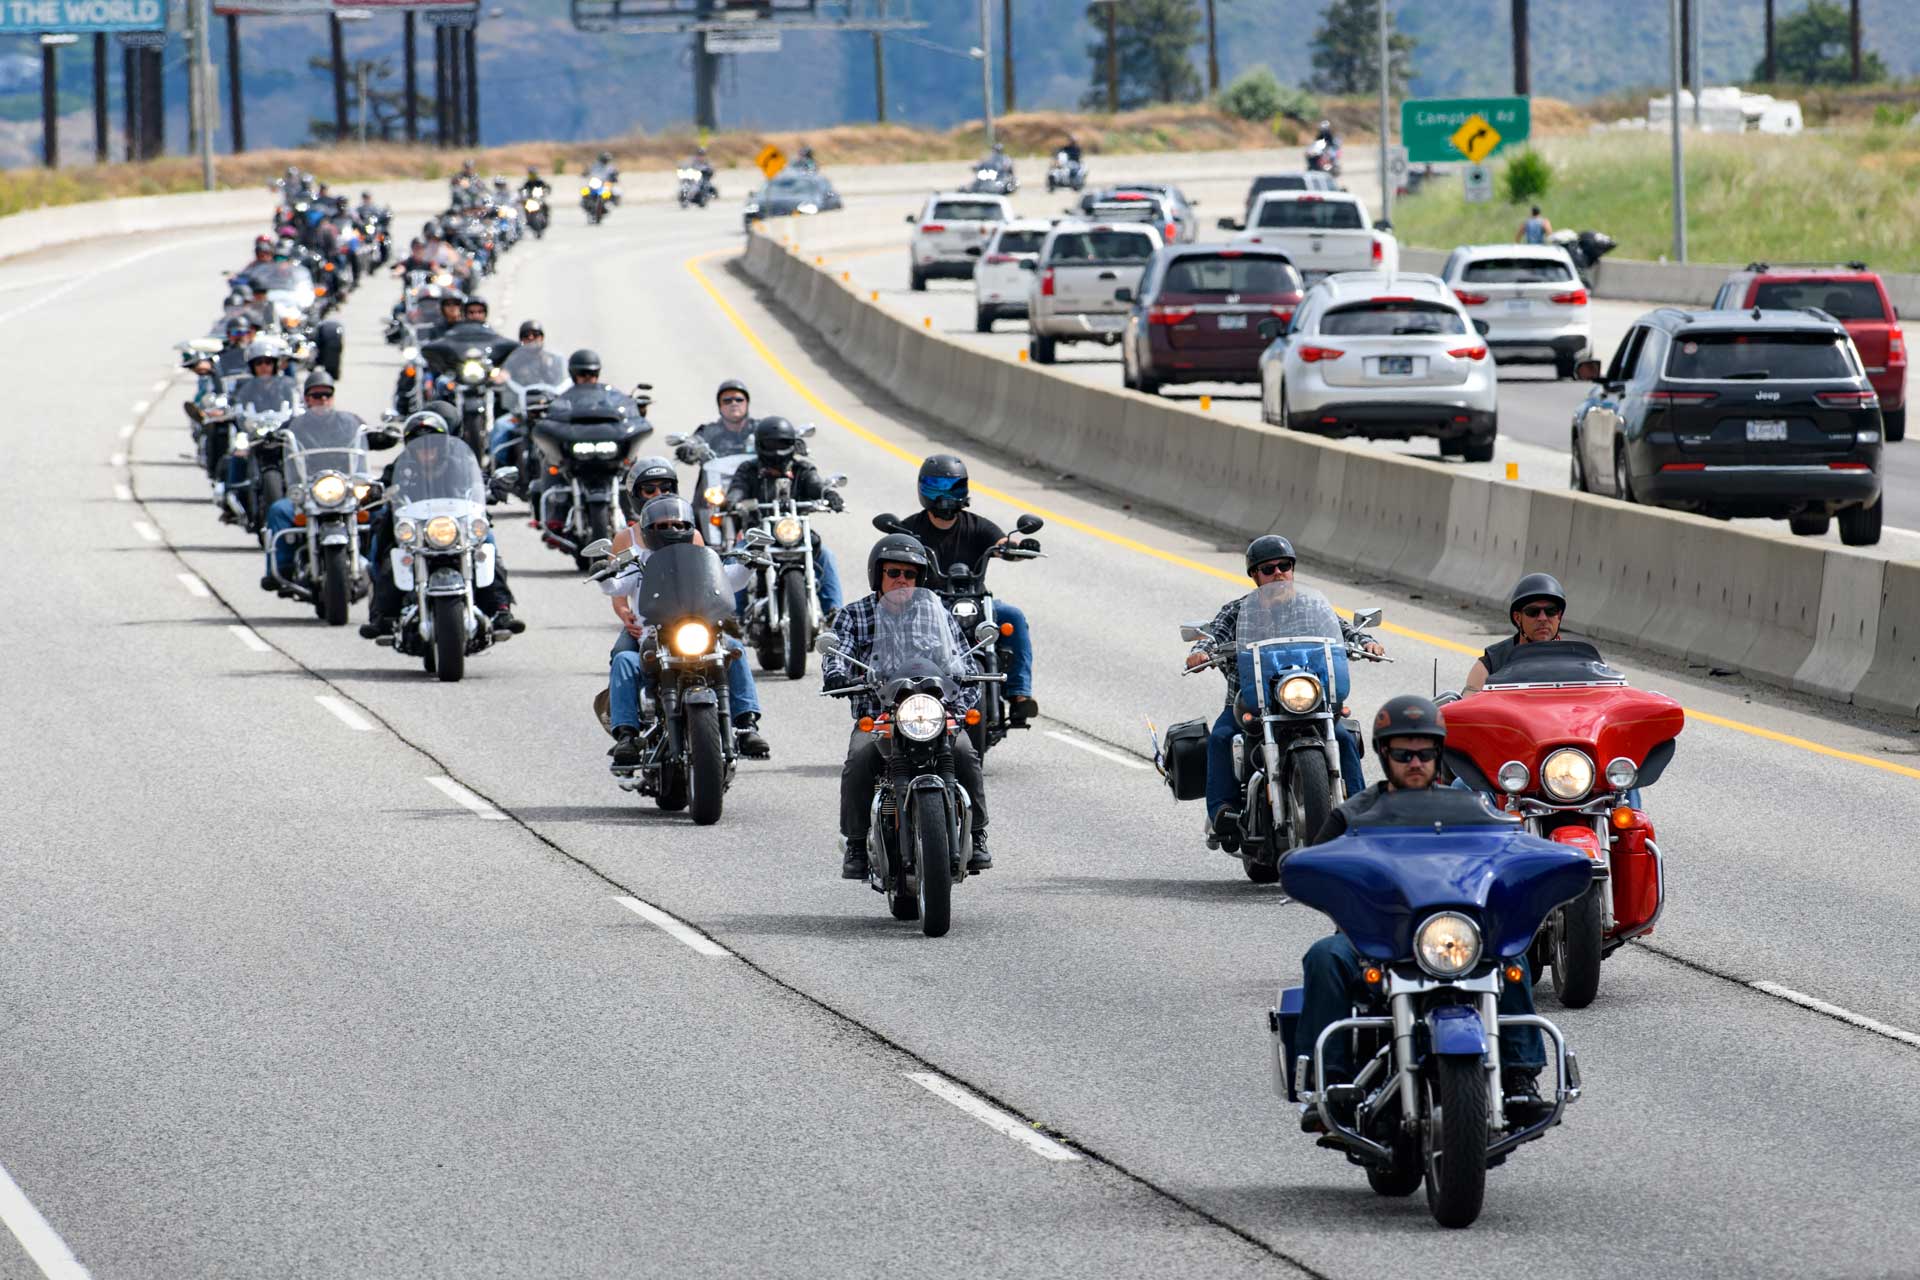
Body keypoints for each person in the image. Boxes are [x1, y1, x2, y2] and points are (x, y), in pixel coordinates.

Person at [1292, 694, 1550, 1119]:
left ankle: (1520, 1077)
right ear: (1383, 754)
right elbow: (1317, 867)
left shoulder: (1473, 810)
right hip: (1375, 939)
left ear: (1439, 753)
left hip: (1454, 935)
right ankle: (1329, 1084)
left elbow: (1509, 853)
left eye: (1425, 752)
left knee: (1511, 955)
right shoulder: (1353, 815)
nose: (1415, 761)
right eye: (1403, 752)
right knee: (1324, 957)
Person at [1185, 535, 1381, 839]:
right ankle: (1222, 812)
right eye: (1268, 569)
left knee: (1341, 736)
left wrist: (1365, 641)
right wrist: (1204, 650)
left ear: (1292, 569)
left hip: (1308, 698)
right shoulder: (1237, 611)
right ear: (1254, 576)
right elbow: (1214, 634)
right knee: (1223, 736)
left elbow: (1342, 631)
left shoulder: (1312, 607)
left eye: (1284, 566)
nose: (1278, 573)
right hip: (1251, 701)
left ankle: (1359, 813)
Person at [823, 534, 991, 878]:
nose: (902, 580)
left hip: (932, 713)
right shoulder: (854, 615)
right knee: (859, 758)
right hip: (880, 715)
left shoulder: (937, 614)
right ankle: (855, 843)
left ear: (920, 579)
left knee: (964, 753)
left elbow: (963, 662)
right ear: (878, 575)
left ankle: (978, 835)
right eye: (894, 572)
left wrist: (964, 695)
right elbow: (836, 654)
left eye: (910, 574)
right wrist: (837, 675)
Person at [601, 494, 770, 763]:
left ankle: (747, 725)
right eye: (662, 525)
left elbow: (727, 580)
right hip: (654, 640)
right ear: (648, 529)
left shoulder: (702, 559)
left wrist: (749, 565)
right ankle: (627, 736)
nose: (671, 530)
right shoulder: (638, 563)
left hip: (699, 634)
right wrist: (606, 574)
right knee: (623, 660)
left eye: (677, 524)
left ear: (689, 526)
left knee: (735, 648)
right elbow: (616, 586)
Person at [360, 403, 522, 639]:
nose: (426, 449)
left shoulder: (460, 463)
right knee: (385, 550)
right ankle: (382, 615)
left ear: (444, 443)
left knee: (486, 547)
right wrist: (373, 491)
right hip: (416, 530)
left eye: (432, 443)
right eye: (419, 443)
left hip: (454, 527)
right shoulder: (401, 465)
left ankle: (501, 610)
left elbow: (480, 481)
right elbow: (383, 483)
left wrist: (494, 486)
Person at [896, 454, 1037, 724]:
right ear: (923, 490)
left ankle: (1020, 697)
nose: (945, 495)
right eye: (936, 487)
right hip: (927, 605)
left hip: (975, 601)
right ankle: (901, 696)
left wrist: (1019, 548)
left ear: (965, 490)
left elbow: (1004, 544)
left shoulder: (978, 526)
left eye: (953, 487)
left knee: (1013, 616)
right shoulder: (910, 529)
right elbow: (891, 552)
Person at [723, 415, 845, 615]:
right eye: (771, 443)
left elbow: (816, 485)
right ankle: (733, 613)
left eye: (782, 443)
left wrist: (829, 494)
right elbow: (737, 489)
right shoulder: (748, 469)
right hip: (757, 535)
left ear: (792, 444)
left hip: (794, 533)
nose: (777, 448)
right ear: (761, 444)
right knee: (734, 559)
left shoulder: (802, 469)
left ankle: (834, 612)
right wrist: (734, 501)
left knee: (826, 556)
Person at [260, 370, 359, 587]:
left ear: (332, 397)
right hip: (307, 490)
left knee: (378, 512)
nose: (322, 400)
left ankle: (376, 565)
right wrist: (267, 441)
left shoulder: (349, 421)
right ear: (306, 399)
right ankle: (280, 568)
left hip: (345, 488)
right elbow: (269, 448)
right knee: (279, 510)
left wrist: (381, 435)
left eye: (327, 395)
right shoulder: (294, 426)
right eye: (316, 395)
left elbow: (367, 436)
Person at [1464, 573, 1564, 693]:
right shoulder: (1492, 664)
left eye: (1550, 611)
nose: (1543, 618)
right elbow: (1470, 702)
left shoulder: (1575, 660)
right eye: (1533, 612)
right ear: (1517, 618)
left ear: (1559, 616)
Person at [690, 378, 758, 457]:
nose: (734, 403)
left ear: (747, 404)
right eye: (727, 401)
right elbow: (694, 441)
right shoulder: (709, 431)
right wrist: (688, 448)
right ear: (720, 407)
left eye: (739, 400)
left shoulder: (760, 428)